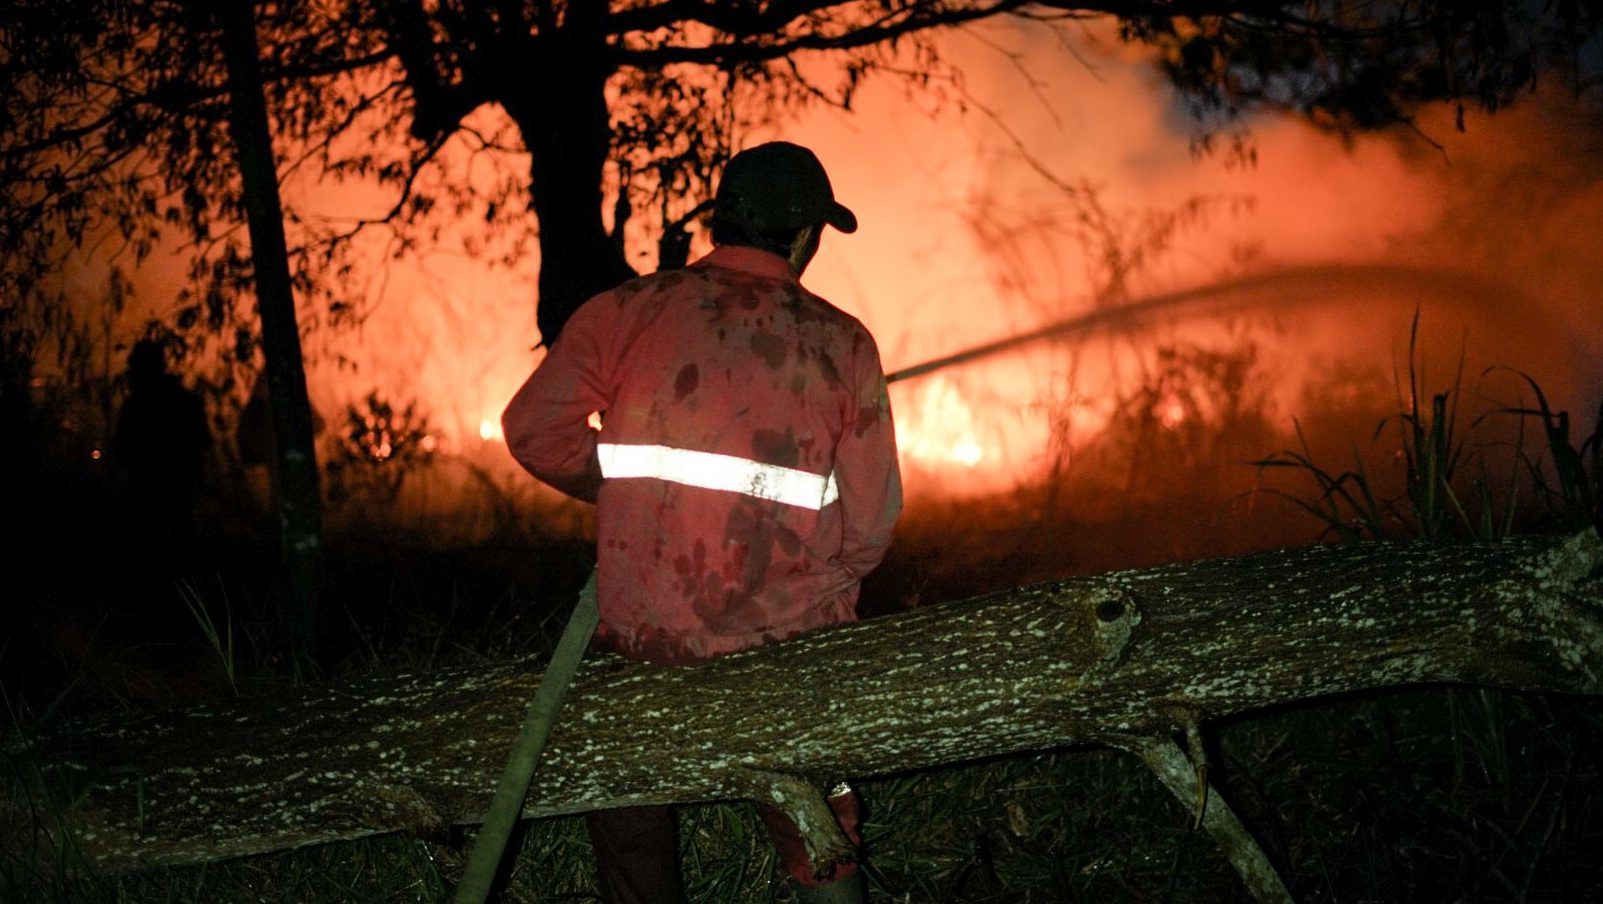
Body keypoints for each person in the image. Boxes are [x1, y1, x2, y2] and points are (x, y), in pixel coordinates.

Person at [502, 141, 902, 904]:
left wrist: (624, 487)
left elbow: (533, 431)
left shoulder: (624, 311)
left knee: (625, 816)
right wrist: (823, 590)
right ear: (803, 237)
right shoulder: (842, 342)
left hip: (643, 644)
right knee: (822, 835)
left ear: (723, 220)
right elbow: (872, 526)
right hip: (784, 654)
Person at [113, 337, 211, 571]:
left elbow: (122, 450)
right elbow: (204, 442)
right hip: (170, 489)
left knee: (158, 546)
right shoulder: (184, 401)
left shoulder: (137, 406)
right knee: (172, 545)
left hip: (158, 490)